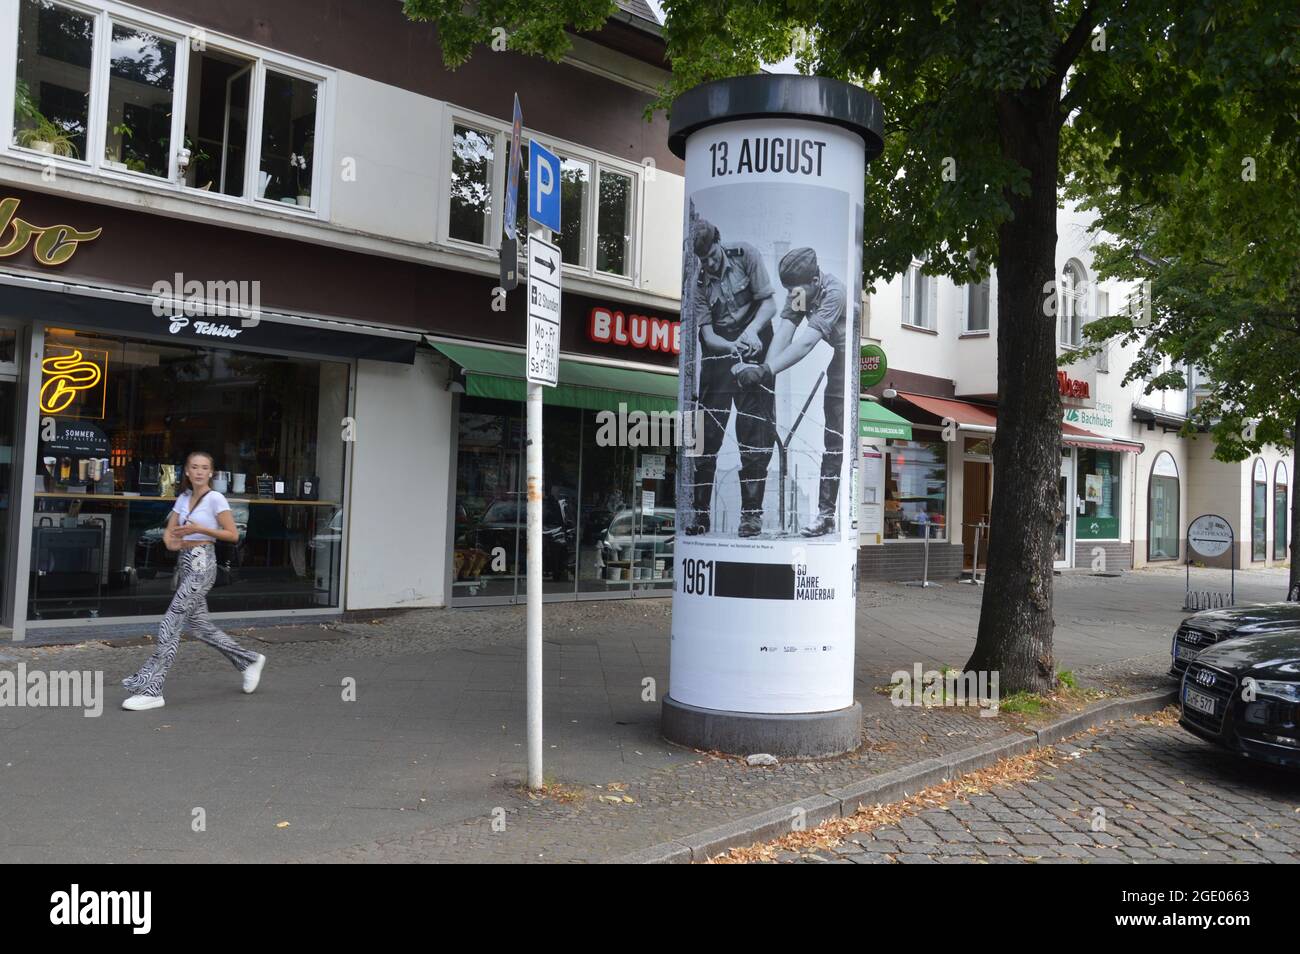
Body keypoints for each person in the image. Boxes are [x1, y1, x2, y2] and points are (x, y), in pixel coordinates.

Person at [121, 451, 266, 711]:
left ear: (211, 473)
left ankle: (152, 689)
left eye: (204, 468)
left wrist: (199, 529)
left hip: (203, 563)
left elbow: (232, 535)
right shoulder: (184, 497)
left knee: (170, 623)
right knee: (199, 627)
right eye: (194, 467)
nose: (199, 472)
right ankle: (248, 660)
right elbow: (170, 531)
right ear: (186, 471)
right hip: (185, 562)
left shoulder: (216, 499)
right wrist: (172, 540)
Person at [735, 247, 847, 537]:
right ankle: (825, 516)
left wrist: (767, 371)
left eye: (796, 290)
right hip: (838, 351)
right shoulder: (800, 291)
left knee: (835, 434)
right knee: (831, 434)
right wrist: (767, 372)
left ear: (814, 279)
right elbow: (786, 331)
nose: (793, 295)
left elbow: (806, 344)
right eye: (788, 291)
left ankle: (826, 515)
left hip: (851, 357)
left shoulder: (834, 291)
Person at [686, 217, 777, 537]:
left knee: (755, 431)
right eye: (703, 260)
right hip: (721, 347)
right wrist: (730, 347)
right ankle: (699, 515)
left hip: (756, 336)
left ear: (719, 244)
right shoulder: (697, 283)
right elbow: (707, 335)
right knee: (705, 431)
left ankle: (751, 517)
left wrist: (750, 333)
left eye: (711, 255)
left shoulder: (746, 255)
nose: (709, 264)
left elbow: (769, 303)